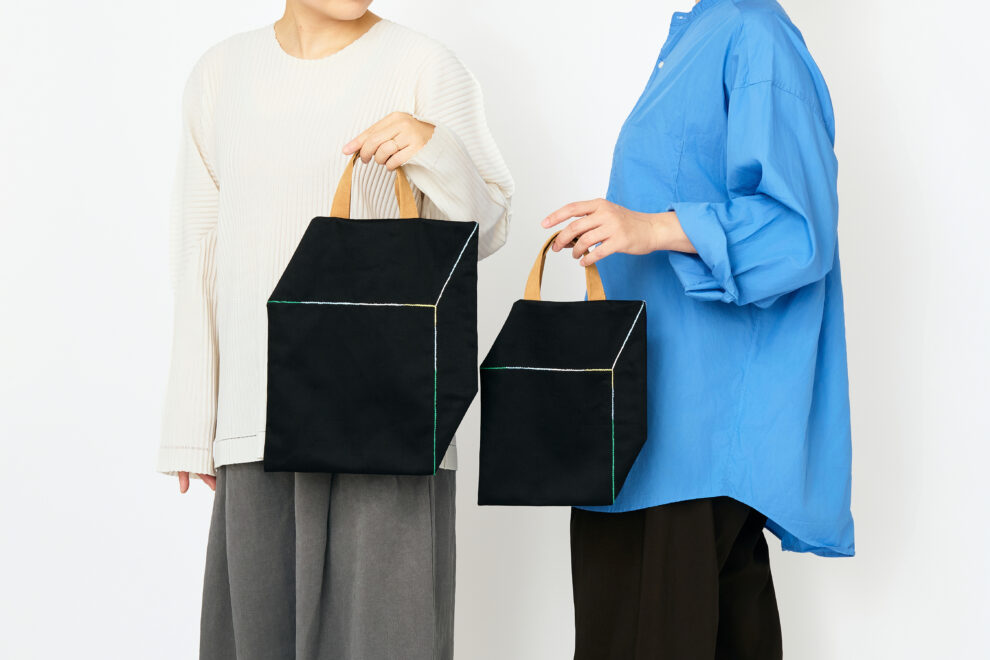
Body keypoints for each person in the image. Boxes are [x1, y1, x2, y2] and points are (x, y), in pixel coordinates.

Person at [156, 1, 512, 658]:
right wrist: (193, 422)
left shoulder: (424, 65)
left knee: (391, 641)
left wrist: (433, 148)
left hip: (392, 423)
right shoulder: (221, 73)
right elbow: (201, 248)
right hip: (258, 418)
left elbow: (487, 229)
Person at [542, 0, 853, 657]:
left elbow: (799, 233)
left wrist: (650, 227)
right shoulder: (708, 31)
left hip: (689, 436)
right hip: (648, 426)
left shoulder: (753, 33)